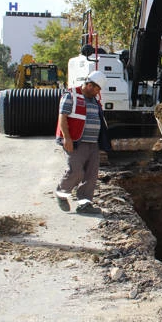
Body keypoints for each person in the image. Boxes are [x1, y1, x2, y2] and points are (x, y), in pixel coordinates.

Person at [54, 70, 110, 214]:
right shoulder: (71, 95)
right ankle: (61, 193)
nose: (98, 92)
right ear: (90, 85)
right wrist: (66, 138)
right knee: (76, 171)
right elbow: (63, 118)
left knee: (91, 174)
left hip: (93, 143)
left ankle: (85, 204)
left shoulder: (94, 101)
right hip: (77, 142)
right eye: (97, 89)